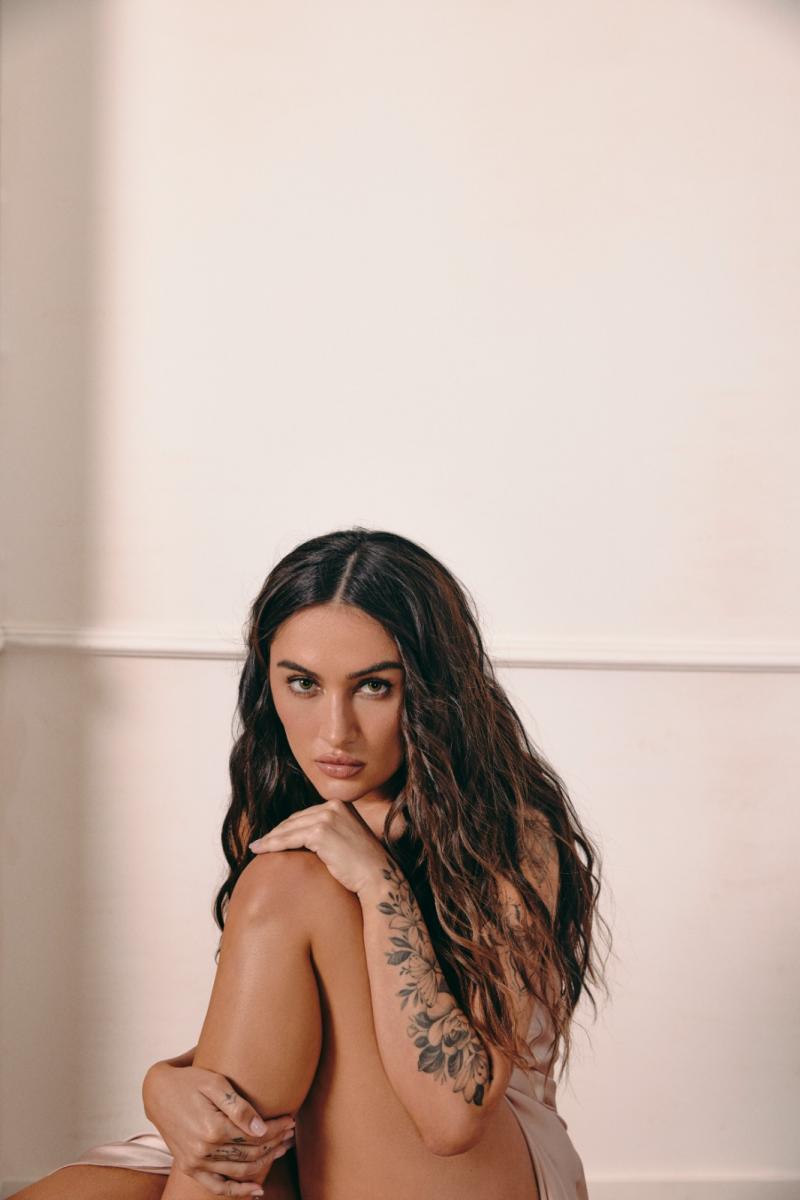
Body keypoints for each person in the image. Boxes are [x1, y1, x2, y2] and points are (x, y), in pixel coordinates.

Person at [11, 527, 610, 1200]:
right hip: (312, 1135)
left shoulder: (510, 835)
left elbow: (453, 1115)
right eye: (302, 683)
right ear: (267, 681)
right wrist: (163, 1083)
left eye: (374, 687)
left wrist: (379, 883)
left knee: (290, 879)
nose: (334, 732)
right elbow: (283, 1037)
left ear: (433, 690)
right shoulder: (285, 811)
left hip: (480, 1151)